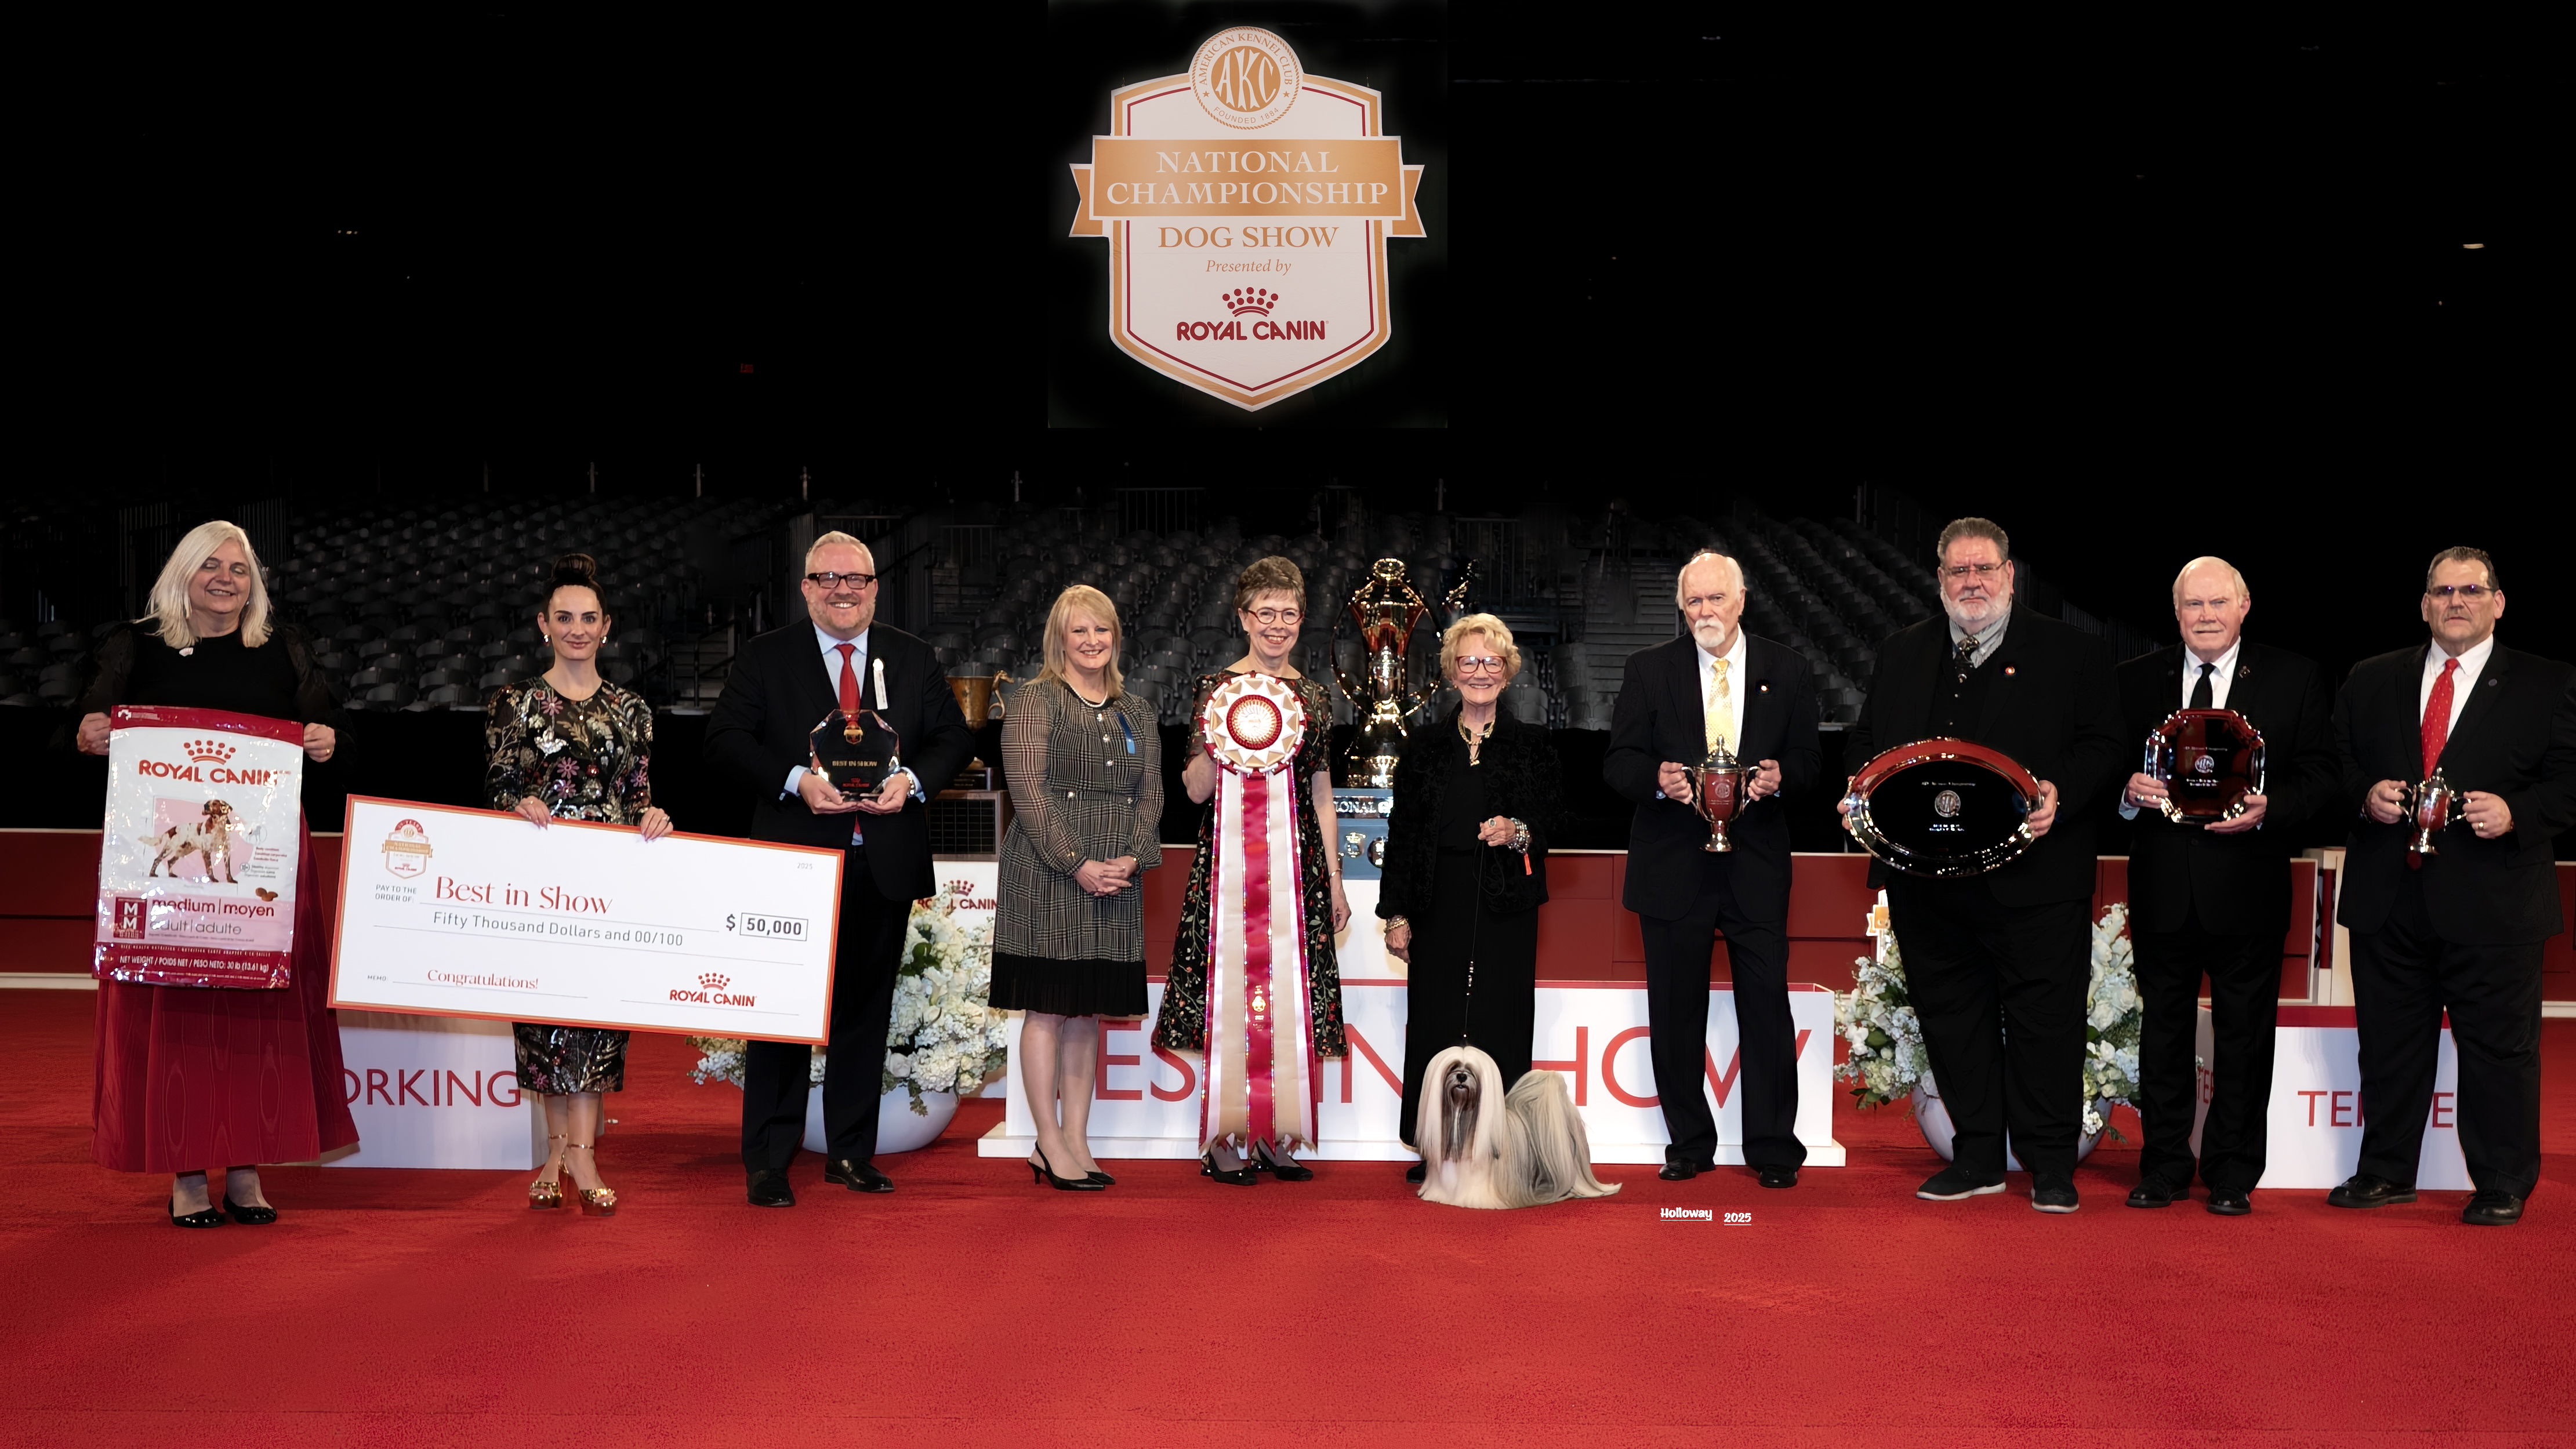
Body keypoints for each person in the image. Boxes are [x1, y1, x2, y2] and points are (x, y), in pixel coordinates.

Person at [74, 520, 355, 1227]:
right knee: (179, 1014)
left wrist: (325, 739)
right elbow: (86, 723)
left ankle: (248, 1171)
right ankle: (189, 1174)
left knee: (260, 1014)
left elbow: (327, 729)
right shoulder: (135, 645)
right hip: (165, 866)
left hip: (262, 864)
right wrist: (90, 730)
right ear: (184, 573)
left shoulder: (281, 647)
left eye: (239, 568)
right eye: (211, 566)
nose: (226, 578)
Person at [1840, 517, 2125, 1213]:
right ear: (1938, 580)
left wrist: (2062, 788)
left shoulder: (2072, 652)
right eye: (1957, 571)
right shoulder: (1901, 651)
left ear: (2008, 575)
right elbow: (1869, 742)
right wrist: (1856, 797)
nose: (1972, 582)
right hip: (1926, 880)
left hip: (2035, 877)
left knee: (2045, 1022)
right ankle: (1975, 1158)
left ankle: (2050, 1164)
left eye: (1984, 569)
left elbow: (2104, 744)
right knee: (1949, 1017)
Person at [704, 531, 974, 1207]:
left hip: (880, 863)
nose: (842, 589)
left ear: (875, 587)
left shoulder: (911, 657)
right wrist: (795, 779)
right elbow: (724, 740)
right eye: (826, 578)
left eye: (854, 578)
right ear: (805, 588)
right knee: (781, 1017)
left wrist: (911, 781)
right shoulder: (766, 657)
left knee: (864, 1013)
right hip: (796, 865)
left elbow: (952, 737)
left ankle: (851, 1152)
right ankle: (768, 1160)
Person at [2328, 546, 2576, 1226]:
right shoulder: (2369, 678)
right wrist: (2363, 793)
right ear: (2423, 605)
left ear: (2497, 602)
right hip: (2389, 898)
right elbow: (2334, 763)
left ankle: (2500, 1181)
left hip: (2496, 904)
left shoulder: (2547, 681)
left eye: (2470, 589)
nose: (2454, 601)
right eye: (2441, 591)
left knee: (2499, 1051)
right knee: (2386, 1046)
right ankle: (2384, 1172)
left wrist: (2519, 813)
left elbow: (2569, 780)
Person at [2113, 557, 2336, 1216]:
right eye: (2191, 605)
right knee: (2162, 1036)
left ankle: (2233, 1172)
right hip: (2162, 888)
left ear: (2243, 607)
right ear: (2175, 613)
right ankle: (2161, 1168)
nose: (2204, 616)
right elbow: (2103, 766)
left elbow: (2324, 775)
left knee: (2244, 1036)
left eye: (2217, 604)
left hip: (2250, 886)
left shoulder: (2294, 678)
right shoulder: (2133, 680)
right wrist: (2127, 792)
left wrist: (2274, 806)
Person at [1602, 551, 1820, 1187]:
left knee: (1766, 1014)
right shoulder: (1647, 670)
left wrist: (1784, 780)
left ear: (1741, 600)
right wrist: (1655, 780)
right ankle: (1689, 1146)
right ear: (1681, 606)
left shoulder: (1789, 669)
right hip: (1671, 868)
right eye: (1693, 602)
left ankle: (1774, 1149)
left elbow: (1810, 760)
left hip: (1755, 867)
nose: (1704, 612)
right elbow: (1617, 763)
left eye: (1715, 599)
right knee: (1673, 1015)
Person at [485, 553, 674, 1218]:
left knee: (595, 1024)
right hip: (537, 887)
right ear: (543, 625)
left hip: (609, 889)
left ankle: (582, 1154)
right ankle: (553, 1152)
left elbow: (638, 795)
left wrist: (653, 817)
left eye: (587, 618)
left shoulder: (633, 710)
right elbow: (501, 786)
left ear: (606, 626)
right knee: (543, 1022)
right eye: (563, 617)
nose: (575, 628)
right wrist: (517, 806)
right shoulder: (514, 703)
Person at [1151, 556, 1350, 1185]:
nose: (1277, 625)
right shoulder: (1214, 689)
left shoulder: (1315, 697)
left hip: (1297, 876)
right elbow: (1192, 791)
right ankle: (1224, 1136)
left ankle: (1272, 1132)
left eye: (1288, 613)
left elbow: (1321, 792)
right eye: (1264, 613)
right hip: (1229, 874)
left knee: (1286, 998)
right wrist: (1220, 736)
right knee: (1230, 992)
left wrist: (1335, 879)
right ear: (1242, 617)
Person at [993, 585, 1163, 1191]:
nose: (1092, 642)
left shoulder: (1136, 711)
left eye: (1102, 631)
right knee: (1046, 1008)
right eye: (1079, 632)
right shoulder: (1035, 700)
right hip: (1047, 872)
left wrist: (1130, 859)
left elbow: (1151, 798)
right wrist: (1076, 861)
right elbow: (1029, 793)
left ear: (1116, 638)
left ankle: (1077, 1138)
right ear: (1058, 640)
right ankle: (1046, 1140)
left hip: (1115, 877)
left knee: (1085, 1011)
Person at [1380, 613, 1561, 1186]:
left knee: (1501, 1017)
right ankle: (1434, 1145)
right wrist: (1398, 914)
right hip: (1436, 898)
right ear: (1451, 674)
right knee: (1435, 1019)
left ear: (1506, 672)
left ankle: (1502, 1147)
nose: (1479, 672)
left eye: (1490, 662)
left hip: (1507, 898)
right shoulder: (1425, 747)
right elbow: (1403, 832)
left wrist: (1520, 831)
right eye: (1467, 662)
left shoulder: (1532, 744)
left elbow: (1555, 822)